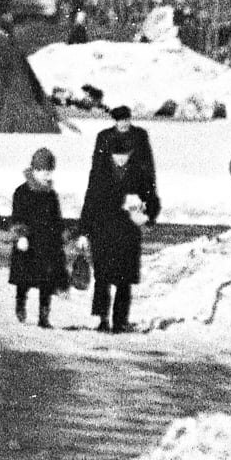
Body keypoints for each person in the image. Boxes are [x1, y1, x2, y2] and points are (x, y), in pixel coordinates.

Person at [77, 105, 160, 334]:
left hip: (127, 231)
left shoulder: (138, 174)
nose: (121, 159)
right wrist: (84, 231)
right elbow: (90, 200)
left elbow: (151, 194)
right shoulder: (101, 176)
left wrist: (148, 215)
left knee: (124, 279)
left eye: (124, 155)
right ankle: (103, 319)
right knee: (103, 277)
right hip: (103, 230)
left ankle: (120, 320)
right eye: (117, 155)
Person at [9, 146, 69, 327]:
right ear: (34, 169)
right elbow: (17, 216)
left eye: (49, 171)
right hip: (28, 243)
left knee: (47, 282)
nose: (45, 174)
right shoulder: (22, 192)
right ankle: (20, 304)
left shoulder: (51, 194)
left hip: (47, 245)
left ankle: (44, 318)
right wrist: (21, 236)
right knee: (24, 279)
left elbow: (56, 218)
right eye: (42, 170)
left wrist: (63, 235)